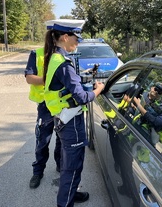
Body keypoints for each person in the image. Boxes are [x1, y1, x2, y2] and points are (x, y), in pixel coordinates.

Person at [42, 19, 105, 207]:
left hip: (62, 117)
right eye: (76, 39)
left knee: (72, 163)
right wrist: (98, 89)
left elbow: (67, 84)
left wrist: (83, 76)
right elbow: (81, 97)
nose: (78, 43)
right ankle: (65, 202)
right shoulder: (63, 64)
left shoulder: (55, 57)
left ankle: (72, 193)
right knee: (72, 166)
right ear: (64, 37)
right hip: (70, 122)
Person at [25, 47, 61, 189]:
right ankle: (38, 172)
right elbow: (29, 77)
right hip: (45, 105)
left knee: (62, 138)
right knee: (43, 141)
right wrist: (50, 80)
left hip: (62, 103)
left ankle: (60, 164)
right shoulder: (37, 54)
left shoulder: (66, 54)